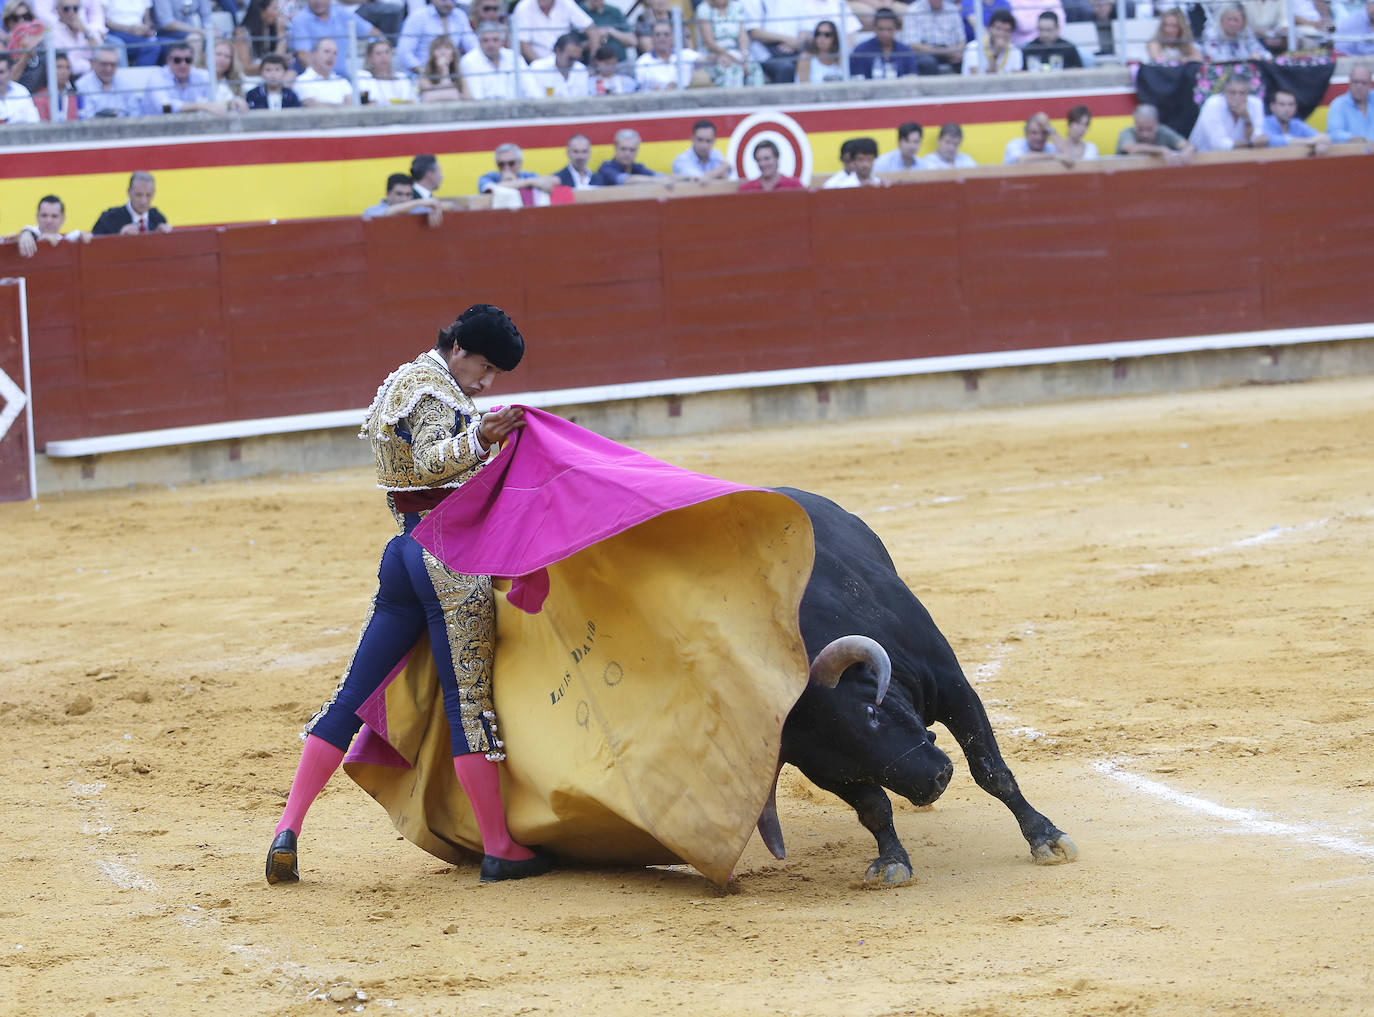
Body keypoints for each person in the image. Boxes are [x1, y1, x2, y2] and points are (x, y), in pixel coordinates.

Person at [264, 305, 551, 888]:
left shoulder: (406, 379)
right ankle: (499, 847)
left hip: (404, 553)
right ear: (460, 348)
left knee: (350, 697)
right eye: (486, 367)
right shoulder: (434, 396)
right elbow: (428, 461)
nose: (487, 382)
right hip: (447, 559)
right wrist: (480, 434)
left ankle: (288, 828)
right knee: (467, 702)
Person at [289, 0, 379, 75]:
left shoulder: (342, 14)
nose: (318, 1)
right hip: (315, 81)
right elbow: (303, 55)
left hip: (343, 79)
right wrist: (322, 78)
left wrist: (371, 54)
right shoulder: (300, 20)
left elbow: (375, 34)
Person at [1189, 71, 1269, 151]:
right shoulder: (1213, 104)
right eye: (1232, 93)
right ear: (1224, 92)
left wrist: (1246, 117)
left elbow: (1257, 138)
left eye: (1242, 93)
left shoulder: (1255, 103)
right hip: (1203, 156)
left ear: (1248, 93)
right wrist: (1250, 144)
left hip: (1240, 156)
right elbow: (1219, 145)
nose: (1237, 97)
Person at [396, 0, 476, 77]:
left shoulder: (460, 15)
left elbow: (473, 47)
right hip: (420, 76)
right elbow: (404, 53)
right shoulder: (418, 17)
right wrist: (426, 74)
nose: (448, 3)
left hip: (454, 76)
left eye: (452, 0)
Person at [459, 20, 535, 99]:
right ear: (479, 42)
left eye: (495, 40)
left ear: (502, 41)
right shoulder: (469, 61)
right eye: (485, 40)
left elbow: (532, 89)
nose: (491, 44)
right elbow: (476, 97)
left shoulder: (514, 57)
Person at [143, 39, 220, 114]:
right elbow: (164, 107)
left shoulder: (201, 75)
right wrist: (200, 106)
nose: (183, 65)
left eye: (188, 60)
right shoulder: (157, 77)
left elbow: (222, 95)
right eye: (177, 60)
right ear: (168, 60)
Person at [697, 0, 763, 86]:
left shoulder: (737, 6)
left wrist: (744, 54)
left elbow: (742, 35)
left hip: (736, 52)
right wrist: (736, 59)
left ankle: (756, 98)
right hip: (715, 54)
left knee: (754, 67)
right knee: (733, 69)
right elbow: (709, 42)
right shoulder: (704, 9)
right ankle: (733, 99)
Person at [510, 0, 596, 62]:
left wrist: (593, 63)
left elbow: (591, 29)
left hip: (569, 63)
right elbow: (523, 45)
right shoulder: (523, 6)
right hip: (537, 66)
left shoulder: (565, 2)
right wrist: (542, 67)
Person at [849, 6, 924, 77]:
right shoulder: (861, 51)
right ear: (874, 28)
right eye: (881, 29)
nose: (885, 34)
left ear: (896, 28)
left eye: (889, 29)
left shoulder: (905, 51)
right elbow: (856, 79)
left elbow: (912, 78)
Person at [91, 170, 171, 234]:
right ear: (129, 192)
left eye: (148, 195)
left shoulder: (158, 219)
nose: (144, 201)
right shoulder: (109, 218)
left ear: (153, 194)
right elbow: (94, 246)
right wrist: (119, 236)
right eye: (138, 195)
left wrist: (166, 237)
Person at [900, 0, 966, 74]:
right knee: (928, 63)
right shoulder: (914, 10)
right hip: (926, 52)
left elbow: (962, 40)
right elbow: (912, 44)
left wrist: (957, 51)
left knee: (967, 58)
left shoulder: (952, 9)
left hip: (951, 51)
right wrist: (944, 52)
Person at [1115, 102, 1194, 162]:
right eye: (1140, 129)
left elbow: (1188, 145)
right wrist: (1161, 150)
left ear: (1157, 125)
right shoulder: (1127, 133)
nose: (1145, 134)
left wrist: (1186, 152)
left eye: (1149, 129)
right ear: (1135, 124)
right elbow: (1132, 148)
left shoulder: (1163, 132)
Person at [634, 17, 700, 89]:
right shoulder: (642, 62)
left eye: (666, 34)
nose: (662, 38)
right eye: (657, 34)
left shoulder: (685, 54)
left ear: (672, 37)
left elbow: (708, 59)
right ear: (652, 37)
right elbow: (644, 89)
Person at [75, 43, 139, 116]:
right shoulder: (81, 86)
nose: (108, 69)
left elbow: (136, 113)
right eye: (104, 64)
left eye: (112, 64)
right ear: (93, 63)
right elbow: (85, 118)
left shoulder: (125, 84)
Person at [15, 194, 89, 256]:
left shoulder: (67, 238)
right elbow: (15, 237)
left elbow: (75, 235)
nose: (49, 221)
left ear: (63, 219)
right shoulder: (29, 233)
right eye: (44, 215)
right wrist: (26, 233)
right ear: (37, 216)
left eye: (54, 216)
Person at [46, 0, 104, 78]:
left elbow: (101, 54)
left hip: (94, 76)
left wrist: (85, 31)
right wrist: (92, 66)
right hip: (71, 78)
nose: (71, 12)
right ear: (57, 10)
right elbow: (71, 66)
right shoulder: (52, 33)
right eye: (66, 9)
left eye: (75, 8)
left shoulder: (86, 28)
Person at [593, 127, 670, 184]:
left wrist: (677, 178)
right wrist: (657, 180)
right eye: (623, 149)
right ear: (615, 148)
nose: (627, 153)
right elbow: (626, 180)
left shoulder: (637, 168)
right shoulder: (606, 168)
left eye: (632, 150)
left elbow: (660, 176)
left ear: (637, 151)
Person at [1263, 87, 1330, 152]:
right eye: (1282, 104)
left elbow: (1322, 137)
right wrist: (1309, 141)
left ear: (1295, 107)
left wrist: (1319, 142)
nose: (1287, 109)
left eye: (1291, 104)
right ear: (1272, 107)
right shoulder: (1264, 123)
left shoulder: (1297, 124)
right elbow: (1272, 141)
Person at [362, 171, 446, 222]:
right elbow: (387, 213)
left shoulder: (415, 209)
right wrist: (419, 201)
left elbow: (453, 206)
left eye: (408, 194)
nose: (404, 199)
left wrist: (437, 206)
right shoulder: (371, 211)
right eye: (399, 194)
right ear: (388, 194)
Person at [476, 142, 557, 193]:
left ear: (520, 163)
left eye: (511, 163)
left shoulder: (527, 176)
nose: (506, 168)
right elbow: (492, 189)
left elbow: (553, 182)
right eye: (501, 164)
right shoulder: (488, 177)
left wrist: (514, 183)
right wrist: (528, 183)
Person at [236, 0, 290, 75]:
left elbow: (276, 61)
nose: (279, 13)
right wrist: (281, 36)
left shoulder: (269, 30)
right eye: (275, 8)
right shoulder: (241, 33)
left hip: (270, 77)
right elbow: (245, 69)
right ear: (262, 12)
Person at [295, 36, 355, 104]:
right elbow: (313, 107)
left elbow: (351, 106)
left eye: (335, 53)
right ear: (314, 54)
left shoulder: (342, 81)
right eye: (327, 51)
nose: (331, 56)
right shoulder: (302, 80)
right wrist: (342, 107)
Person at [4, 0, 49, 90]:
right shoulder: (3, 47)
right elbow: (8, 82)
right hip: (16, 98)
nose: (22, 21)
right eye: (15, 18)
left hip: (41, 98)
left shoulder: (43, 42)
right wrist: (26, 54)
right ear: (7, 22)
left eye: (26, 16)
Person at [528, 29, 588, 96]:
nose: (574, 62)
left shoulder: (581, 69)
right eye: (571, 58)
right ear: (557, 50)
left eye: (577, 58)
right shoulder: (538, 68)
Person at [1200, 2, 1269, 61]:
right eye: (1229, 19)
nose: (1232, 24)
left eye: (1236, 20)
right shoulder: (1211, 34)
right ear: (1222, 19)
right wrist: (1246, 59)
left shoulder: (1246, 32)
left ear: (1243, 22)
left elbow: (1264, 53)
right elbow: (1213, 57)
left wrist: (1258, 56)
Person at [358, 36, 417, 103]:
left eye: (387, 52)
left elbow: (410, 102)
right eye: (378, 53)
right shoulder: (364, 77)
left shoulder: (402, 77)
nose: (384, 57)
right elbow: (367, 103)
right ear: (369, 57)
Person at [962, 8, 1022, 74]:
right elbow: (978, 79)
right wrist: (996, 54)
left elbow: (1016, 79)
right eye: (998, 28)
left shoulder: (1015, 51)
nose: (1001, 33)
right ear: (989, 28)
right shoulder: (973, 47)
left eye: (1007, 30)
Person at [1327, 60, 1373, 143]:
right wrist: (1357, 140)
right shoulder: (1338, 105)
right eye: (1355, 82)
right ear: (1350, 83)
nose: (1359, 86)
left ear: (1370, 85)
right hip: (1353, 153)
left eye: (1363, 83)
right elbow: (1334, 134)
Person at [1003, 110, 1072, 164]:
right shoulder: (1015, 144)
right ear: (1026, 134)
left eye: (1044, 133)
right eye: (1034, 133)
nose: (1039, 137)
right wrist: (1054, 156)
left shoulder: (1049, 148)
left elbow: (1068, 155)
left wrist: (1049, 127)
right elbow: (1023, 160)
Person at [738, 137, 805, 190]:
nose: (762, 164)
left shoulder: (794, 186)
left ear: (777, 158)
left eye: (767, 158)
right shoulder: (747, 189)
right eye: (759, 160)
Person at [417, 34, 469, 100]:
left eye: (447, 48)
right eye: (438, 48)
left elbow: (469, 98)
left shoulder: (459, 76)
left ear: (452, 55)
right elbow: (429, 98)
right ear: (432, 55)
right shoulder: (424, 77)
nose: (443, 52)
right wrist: (444, 71)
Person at [205, 36, 250, 112]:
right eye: (218, 54)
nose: (222, 59)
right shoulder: (197, 77)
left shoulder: (237, 80)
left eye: (227, 56)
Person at [32, 49, 79, 119]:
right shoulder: (40, 98)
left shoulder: (73, 96)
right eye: (59, 67)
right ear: (48, 70)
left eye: (67, 68)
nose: (64, 72)